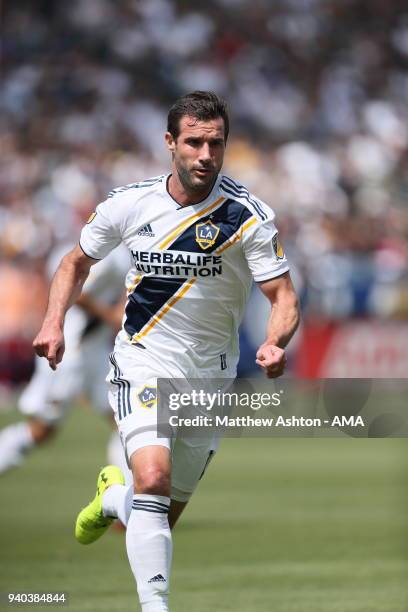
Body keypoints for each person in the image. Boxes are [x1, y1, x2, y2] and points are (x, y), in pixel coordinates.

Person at [33, 91, 300, 612]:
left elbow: (283, 297)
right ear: (170, 143)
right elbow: (73, 264)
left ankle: (113, 497)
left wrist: (274, 341)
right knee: (153, 479)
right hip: (143, 359)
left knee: (156, 512)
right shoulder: (130, 203)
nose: (206, 155)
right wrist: (53, 322)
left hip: (211, 378)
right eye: (195, 143)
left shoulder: (247, 215)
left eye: (216, 144)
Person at [0, 244, 130, 480]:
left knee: (126, 422)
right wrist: (110, 315)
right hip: (69, 354)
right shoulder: (110, 254)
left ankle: (130, 498)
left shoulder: (131, 250)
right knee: (41, 431)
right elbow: (76, 290)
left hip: (97, 352)